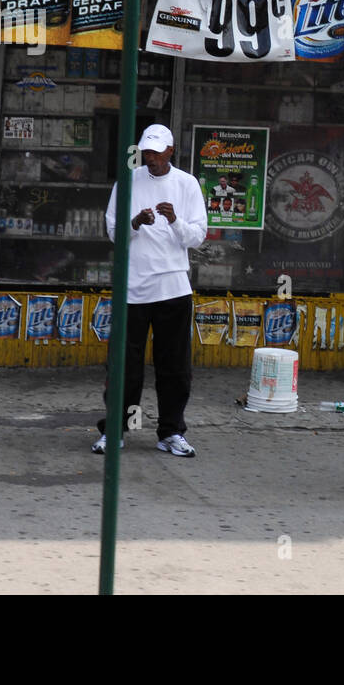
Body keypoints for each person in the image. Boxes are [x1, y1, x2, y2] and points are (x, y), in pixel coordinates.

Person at [93, 124, 207, 457]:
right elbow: (114, 230)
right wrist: (135, 223)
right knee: (124, 365)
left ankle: (171, 431)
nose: (152, 158)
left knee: (174, 366)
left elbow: (198, 236)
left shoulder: (187, 184)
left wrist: (174, 221)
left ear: (171, 151)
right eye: (147, 152)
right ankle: (115, 431)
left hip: (173, 286)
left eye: (157, 152)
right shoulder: (127, 182)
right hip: (133, 288)